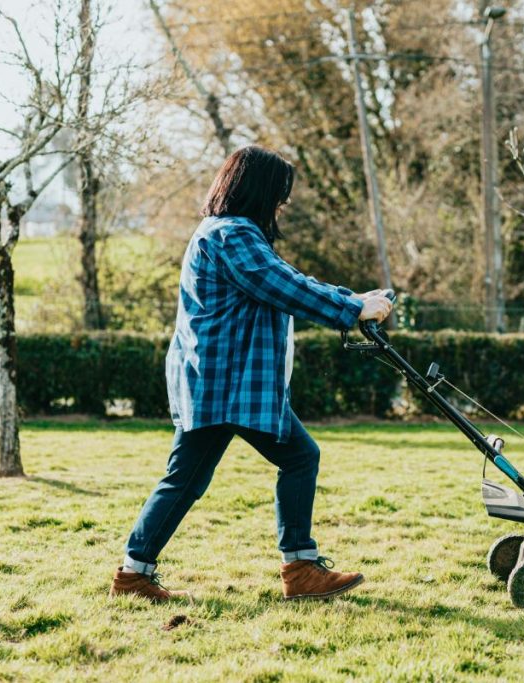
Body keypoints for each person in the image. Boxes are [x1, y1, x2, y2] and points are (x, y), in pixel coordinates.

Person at [110, 145, 393, 603]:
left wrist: (351, 297)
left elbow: (287, 277)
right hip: (230, 384)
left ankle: (133, 575)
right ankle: (299, 568)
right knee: (298, 457)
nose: (283, 203)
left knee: (186, 478)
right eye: (280, 194)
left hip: (218, 381)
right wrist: (352, 308)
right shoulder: (233, 235)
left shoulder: (225, 232)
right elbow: (281, 286)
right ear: (258, 191)